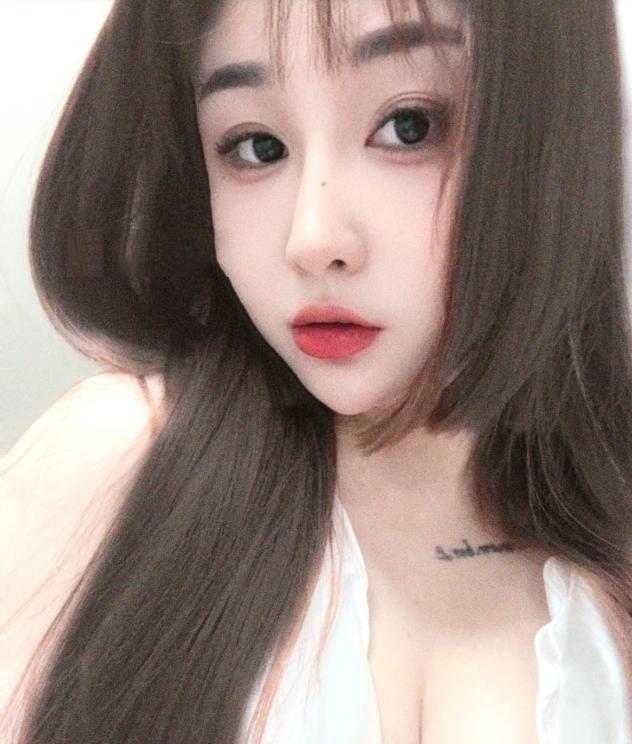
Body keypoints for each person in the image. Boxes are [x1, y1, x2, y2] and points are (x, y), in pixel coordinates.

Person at [1, 0, 632, 741]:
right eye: (256, 146)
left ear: (552, 131)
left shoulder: (610, 559)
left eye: (409, 127)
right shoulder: (119, 469)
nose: (313, 237)